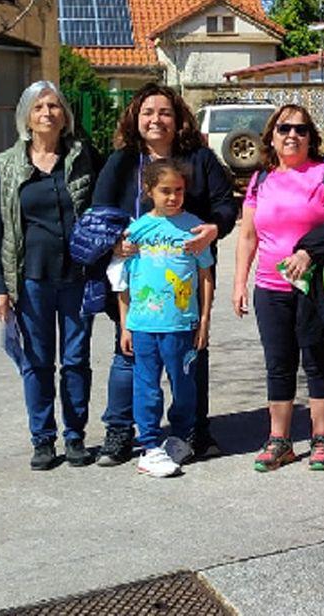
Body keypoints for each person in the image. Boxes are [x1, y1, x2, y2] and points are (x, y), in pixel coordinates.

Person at [91, 83, 237, 465]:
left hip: (185, 282)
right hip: (136, 282)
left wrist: (214, 228)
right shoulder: (122, 161)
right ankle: (121, 431)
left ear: (178, 119)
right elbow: (100, 211)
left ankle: (193, 431)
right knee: (129, 356)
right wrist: (113, 244)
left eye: (165, 112)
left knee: (191, 357)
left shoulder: (200, 160)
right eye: (148, 113)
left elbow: (225, 204)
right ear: (136, 120)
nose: (156, 120)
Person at [232, 105, 324, 472]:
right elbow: (247, 236)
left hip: (315, 287)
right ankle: (280, 441)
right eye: (284, 128)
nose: (292, 135)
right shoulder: (260, 180)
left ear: (310, 137)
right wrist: (240, 282)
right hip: (270, 288)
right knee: (279, 365)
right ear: (271, 136)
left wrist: (308, 251)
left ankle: (321, 440)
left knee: (318, 363)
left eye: (300, 130)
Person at [0, 81, 97, 470]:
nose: (47, 113)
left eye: (54, 106)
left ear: (64, 115)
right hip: (30, 279)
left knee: (76, 359)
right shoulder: (5, 167)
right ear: (27, 117)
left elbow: (99, 211)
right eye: (38, 107)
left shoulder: (82, 158)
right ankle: (43, 440)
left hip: (77, 276)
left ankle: (76, 436)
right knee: (36, 362)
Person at [117, 159, 215, 478]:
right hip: (143, 326)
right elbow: (123, 281)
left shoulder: (194, 228)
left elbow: (205, 276)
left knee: (184, 384)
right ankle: (149, 445)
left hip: (182, 326)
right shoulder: (137, 230)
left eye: (179, 191)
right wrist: (125, 324)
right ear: (149, 191)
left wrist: (203, 320)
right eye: (165, 191)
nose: (173, 197)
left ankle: (179, 438)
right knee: (147, 386)